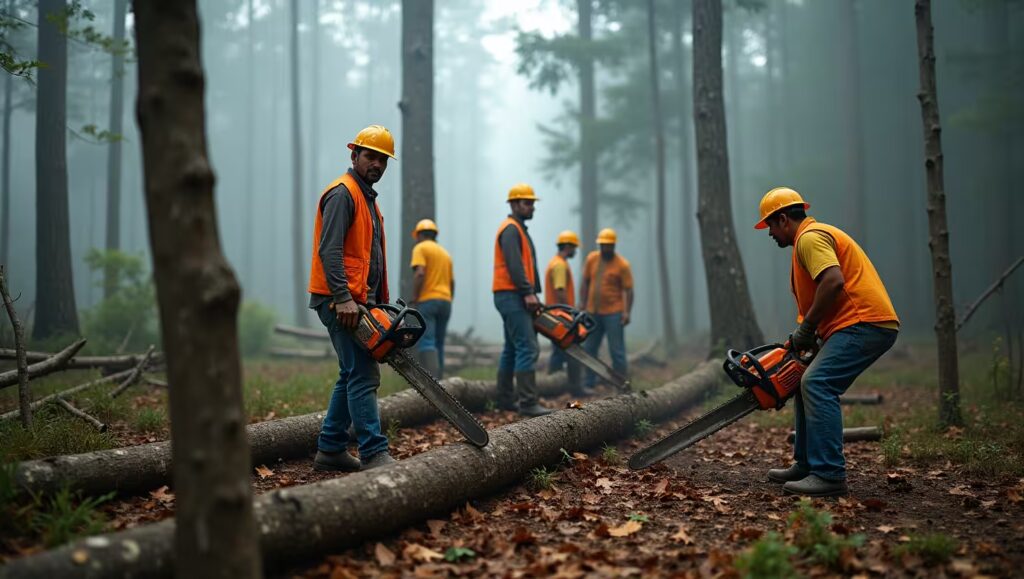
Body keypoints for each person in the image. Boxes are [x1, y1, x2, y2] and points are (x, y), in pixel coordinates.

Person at [757, 186, 899, 497]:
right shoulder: (808, 240)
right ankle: (807, 464)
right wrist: (808, 337)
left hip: (864, 322)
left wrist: (807, 329)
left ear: (782, 219)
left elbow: (834, 282)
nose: (769, 234)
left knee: (818, 384)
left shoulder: (809, 238)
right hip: (854, 323)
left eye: (769, 225)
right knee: (804, 382)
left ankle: (829, 475)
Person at [307, 125, 397, 472]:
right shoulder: (343, 194)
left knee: (351, 373)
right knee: (362, 373)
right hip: (338, 301)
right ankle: (375, 452)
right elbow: (329, 250)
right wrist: (344, 297)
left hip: (357, 301)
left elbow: (367, 257)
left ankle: (330, 448)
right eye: (370, 156)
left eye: (382, 159)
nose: (376, 164)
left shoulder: (367, 200)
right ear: (354, 155)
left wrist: (376, 303)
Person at [492, 183, 552, 417]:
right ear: (514, 204)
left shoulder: (518, 229)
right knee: (528, 346)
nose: (532, 208)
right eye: (528, 203)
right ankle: (528, 403)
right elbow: (514, 265)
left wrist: (531, 291)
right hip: (512, 294)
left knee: (511, 348)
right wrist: (528, 291)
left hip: (510, 294)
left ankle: (505, 398)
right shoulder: (511, 230)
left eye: (533, 204)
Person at [578, 228, 633, 390]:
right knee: (589, 348)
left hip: (613, 313)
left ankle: (621, 384)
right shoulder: (592, 259)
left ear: (614, 245)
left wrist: (627, 312)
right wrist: (582, 302)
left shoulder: (622, 264)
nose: (606, 248)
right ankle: (589, 382)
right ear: (599, 245)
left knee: (617, 351)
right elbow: (585, 281)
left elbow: (628, 289)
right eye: (603, 245)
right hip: (593, 311)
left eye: (609, 245)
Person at [409, 218, 454, 378]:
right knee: (439, 343)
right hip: (446, 301)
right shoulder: (445, 253)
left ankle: (431, 382)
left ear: (419, 235)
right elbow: (451, 282)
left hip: (428, 300)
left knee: (427, 341)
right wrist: (448, 299)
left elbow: (420, 273)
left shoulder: (420, 248)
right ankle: (441, 381)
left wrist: (415, 297)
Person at [544, 230, 584, 394]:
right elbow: (560, 290)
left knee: (559, 351)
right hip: (561, 315)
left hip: (556, 314)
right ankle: (573, 387)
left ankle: (554, 385)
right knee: (568, 350)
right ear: (568, 246)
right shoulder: (559, 265)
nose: (575, 250)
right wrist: (571, 312)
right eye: (574, 247)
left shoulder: (556, 262)